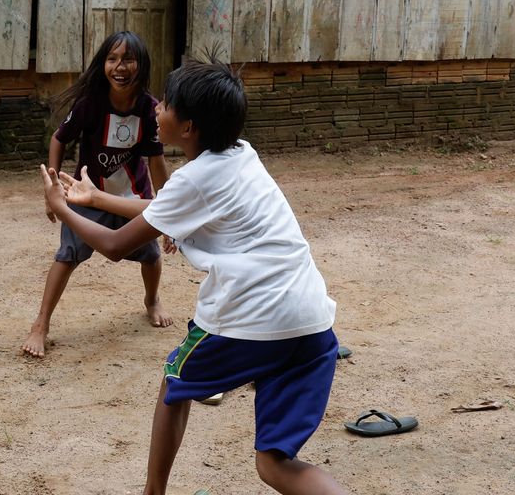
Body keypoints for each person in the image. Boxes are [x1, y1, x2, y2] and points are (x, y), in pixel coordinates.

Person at [40, 61, 348, 495]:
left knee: (175, 381)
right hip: (311, 319)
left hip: (252, 315)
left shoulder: (194, 180)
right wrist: (97, 196)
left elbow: (113, 246)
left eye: (166, 104)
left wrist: (65, 206)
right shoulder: (242, 152)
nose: (157, 108)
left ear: (187, 127)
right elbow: (168, 210)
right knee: (275, 463)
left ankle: (153, 493)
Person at [21, 30, 172, 358]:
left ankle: (152, 299)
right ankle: (41, 324)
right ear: (103, 64)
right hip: (84, 196)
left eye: (128, 59)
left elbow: (156, 160)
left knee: (151, 255)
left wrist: (167, 209)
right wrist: (53, 186)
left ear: (141, 66)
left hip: (133, 199)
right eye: (112, 58)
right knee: (66, 256)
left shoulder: (149, 109)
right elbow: (59, 139)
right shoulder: (90, 104)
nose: (120, 66)